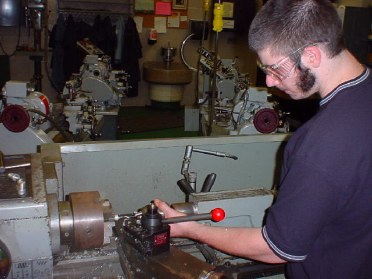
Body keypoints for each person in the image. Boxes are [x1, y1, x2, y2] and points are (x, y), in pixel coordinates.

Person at [154, 0, 372, 278]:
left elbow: (277, 249)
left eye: (276, 69)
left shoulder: (319, 144)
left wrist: (191, 229)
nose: (269, 82)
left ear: (312, 56)